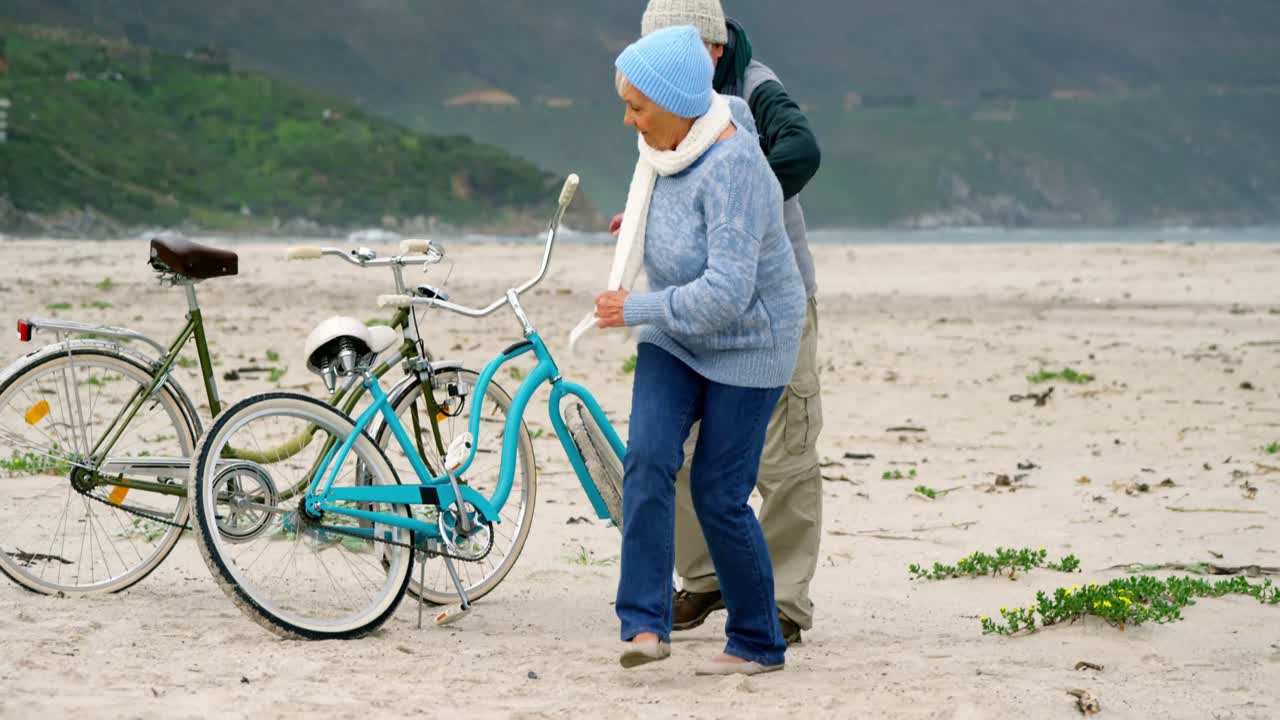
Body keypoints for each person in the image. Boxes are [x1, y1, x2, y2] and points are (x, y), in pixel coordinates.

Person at [594, 25, 805, 675]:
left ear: (681, 103)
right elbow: (685, 226)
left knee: (717, 491)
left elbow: (724, 295)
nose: (629, 119)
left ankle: (758, 641)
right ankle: (643, 627)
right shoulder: (663, 149)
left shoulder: (735, 162)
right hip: (677, 335)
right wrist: (645, 228)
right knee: (649, 458)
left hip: (749, 340)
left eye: (638, 108)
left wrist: (635, 308)